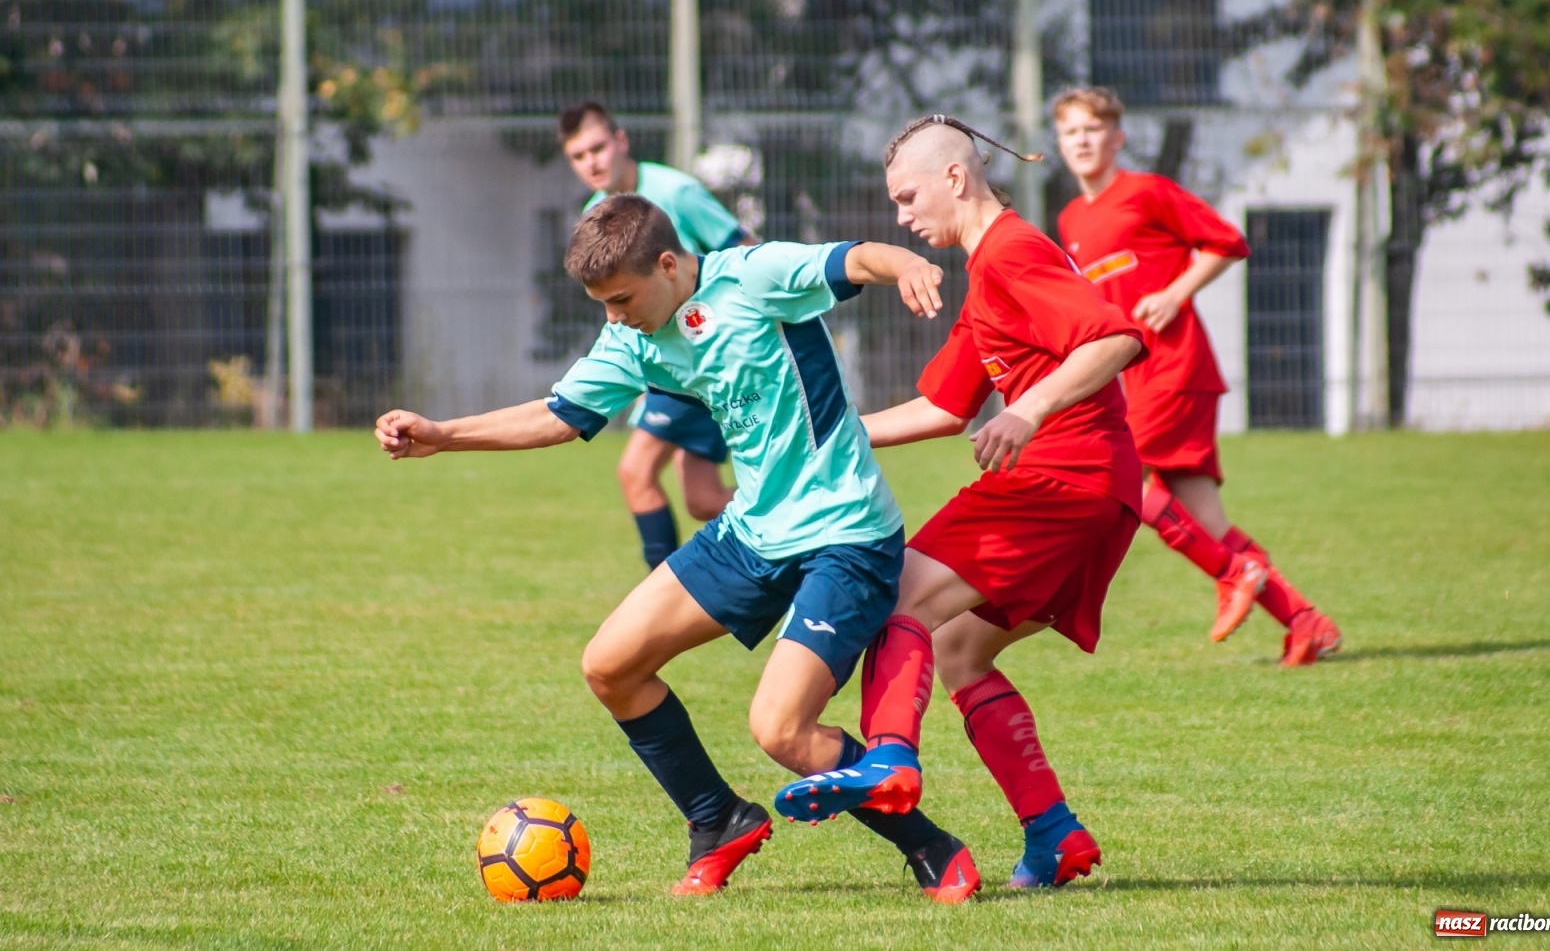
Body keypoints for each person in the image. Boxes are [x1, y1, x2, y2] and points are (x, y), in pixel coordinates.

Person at [375, 195, 975, 899]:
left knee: (781, 730)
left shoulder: (753, 277)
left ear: (668, 264)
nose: (614, 316)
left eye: (622, 298)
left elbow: (850, 260)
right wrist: (443, 435)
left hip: (846, 536)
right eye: (602, 304)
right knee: (611, 666)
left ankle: (930, 845)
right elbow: (558, 414)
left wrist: (904, 262)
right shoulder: (633, 337)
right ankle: (717, 819)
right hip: (753, 532)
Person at [773, 116, 1147, 891]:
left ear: (955, 177)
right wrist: (821, 440)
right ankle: (1054, 834)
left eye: (908, 197)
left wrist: (1026, 412)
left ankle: (887, 761)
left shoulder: (1012, 251)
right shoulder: (990, 274)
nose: (902, 218)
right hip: (1100, 493)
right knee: (959, 651)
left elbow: (1115, 338)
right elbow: (941, 409)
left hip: (1060, 476)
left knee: (898, 593)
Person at [1052, 86, 1342, 666]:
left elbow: (1227, 241)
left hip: (1173, 368)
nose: (1082, 142)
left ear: (1117, 137)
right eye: (1070, 133)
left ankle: (1235, 573)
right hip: (1133, 377)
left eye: (1092, 130)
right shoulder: (1071, 218)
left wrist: (1175, 291)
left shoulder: (1147, 192)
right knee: (1205, 520)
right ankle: (1307, 622)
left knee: (1121, 480)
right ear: (1059, 144)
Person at [559, 101, 747, 571]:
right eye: (579, 156)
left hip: (704, 359)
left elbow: (744, 252)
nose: (592, 163)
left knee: (636, 471)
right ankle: (794, 523)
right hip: (670, 366)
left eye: (598, 147)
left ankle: (661, 597)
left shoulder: (676, 192)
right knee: (704, 499)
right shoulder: (596, 213)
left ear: (621, 141)